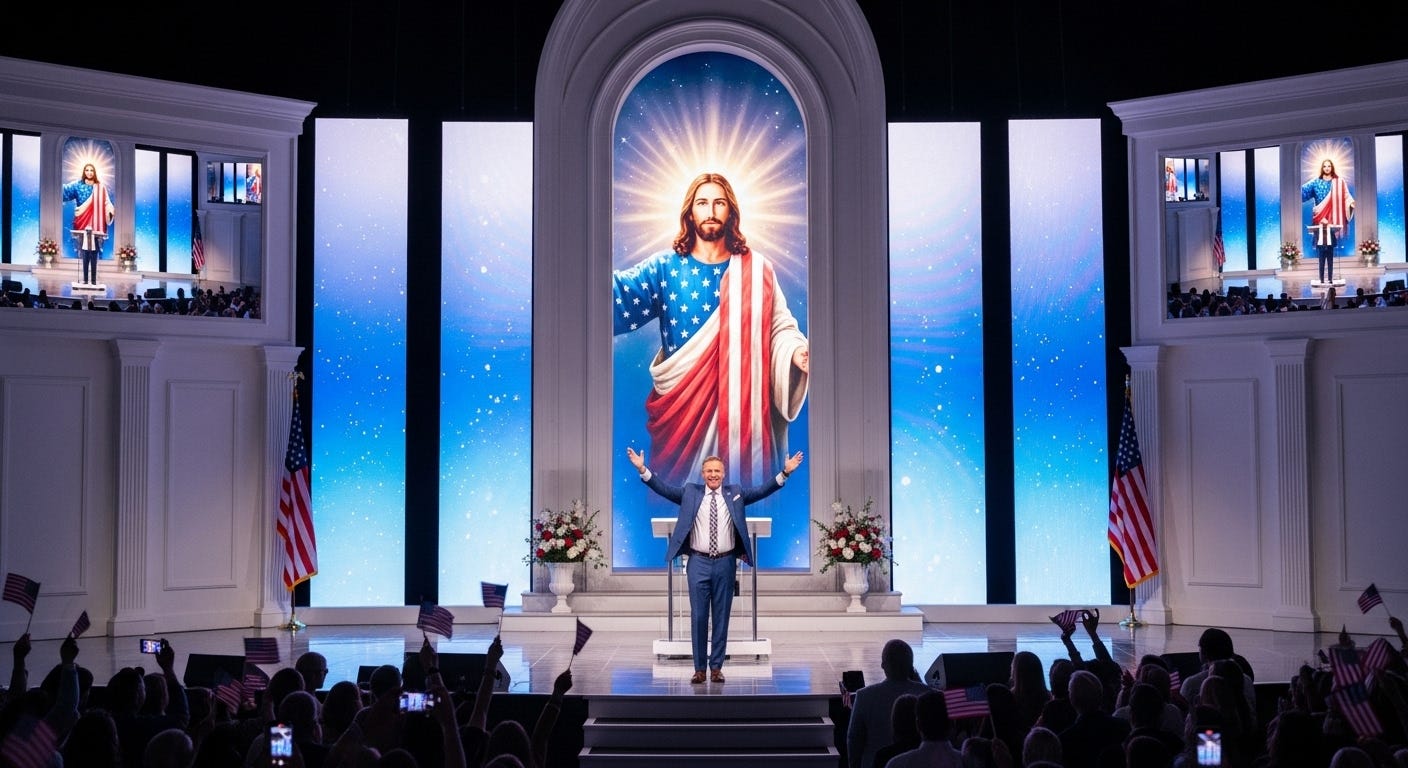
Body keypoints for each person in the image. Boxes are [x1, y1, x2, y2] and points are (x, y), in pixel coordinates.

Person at [613, 172, 810, 489]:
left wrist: (797, 352)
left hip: (743, 415)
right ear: (690, 212)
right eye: (702, 203)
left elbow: (780, 327)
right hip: (680, 415)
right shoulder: (665, 267)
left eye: (719, 203)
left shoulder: (757, 271)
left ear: (730, 211)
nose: (711, 211)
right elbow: (618, 298)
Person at [626, 444, 803, 683]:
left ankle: (716, 667)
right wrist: (642, 469)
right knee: (699, 616)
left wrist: (786, 472)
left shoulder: (736, 493)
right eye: (709, 471)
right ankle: (699, 669)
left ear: (723, 473)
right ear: (702, 473)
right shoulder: (690, 492)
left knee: (722, 616)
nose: (713, 475)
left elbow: (762, 490)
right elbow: (664, 489)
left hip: (725, 563)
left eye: (717, 471)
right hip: (698, 562)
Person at [847, 639, 932, 768]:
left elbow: (854, 741)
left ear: (883, 664)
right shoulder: (928, 695)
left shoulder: (865, 696)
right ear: (911, 665)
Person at [62, 162, 116, 286]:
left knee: (94, 253)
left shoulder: (100, 187)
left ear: (94, 172)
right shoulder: (77, 185)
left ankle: (93, 280)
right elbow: (65, 191)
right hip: (82, 222)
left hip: (96, 226)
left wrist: (110, 211)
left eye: (92, 170)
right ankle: (85, 279)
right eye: (87, 170)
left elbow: (107, 202)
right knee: (84, 252)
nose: (89, 172)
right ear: (84, 172)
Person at [1309, 220, 1342, 284]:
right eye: (1323, 224)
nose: (1324, 225)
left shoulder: (1331, 230)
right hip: (1321, 248)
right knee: (1321, 264)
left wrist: (1334, 245)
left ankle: (1330, 279)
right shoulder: (1317, 230)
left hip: (1330, 248)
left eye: (1326, 224)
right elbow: (1315, 238)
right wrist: (1315, 245)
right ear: (1321, 224)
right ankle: (1322, 279)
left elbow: (1334, 238)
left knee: (1330, 264)